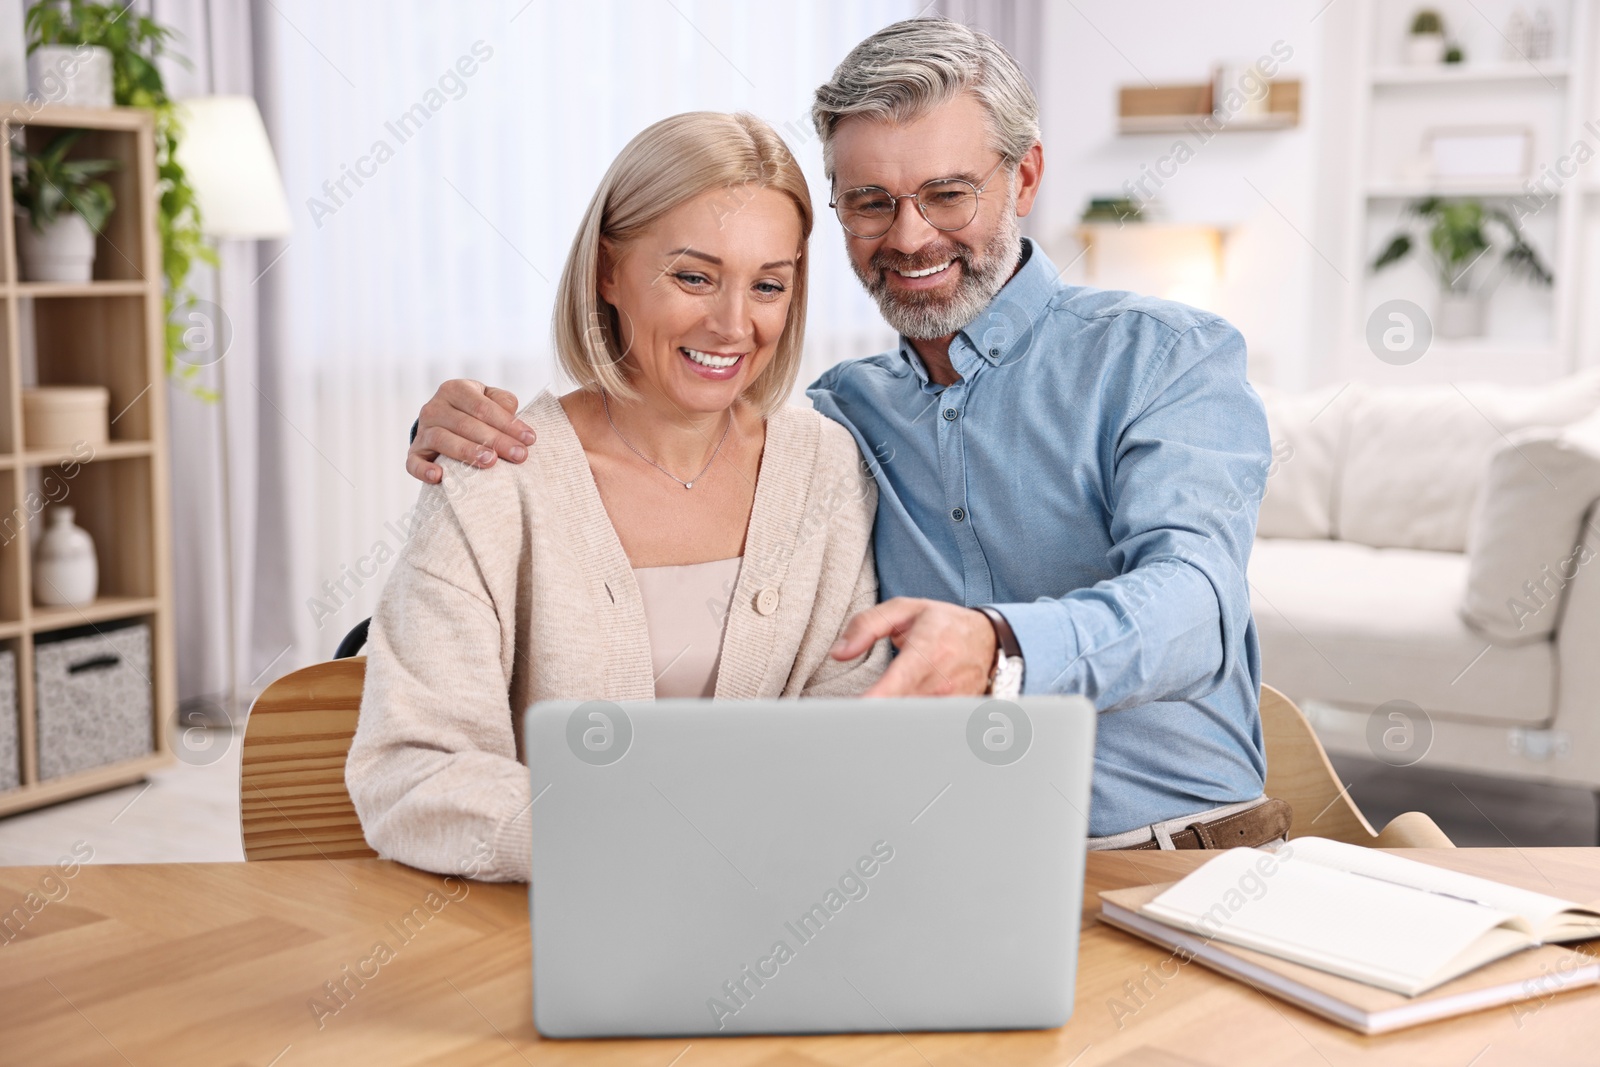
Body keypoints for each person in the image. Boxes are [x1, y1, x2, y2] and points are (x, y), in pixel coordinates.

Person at [406, 18, 1289, 853]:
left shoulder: (1165, 359)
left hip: (1177, 856)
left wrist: (999, 646)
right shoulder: (839, 424)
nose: (909, 237)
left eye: (948, 193)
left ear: (1023, 178)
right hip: (943, 874)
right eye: (870, 202)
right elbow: (663, 441)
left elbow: (1194, 606)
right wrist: (455, 434)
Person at [349, 112, 890, 882]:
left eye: (768, 284)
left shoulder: (825, 467)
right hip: (544, 930)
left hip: (773, 916)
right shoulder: (495, 472)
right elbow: (413, 773)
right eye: (694, 276)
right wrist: (640, 841)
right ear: (608, 269)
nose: (734, 324)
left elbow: (854, 722)